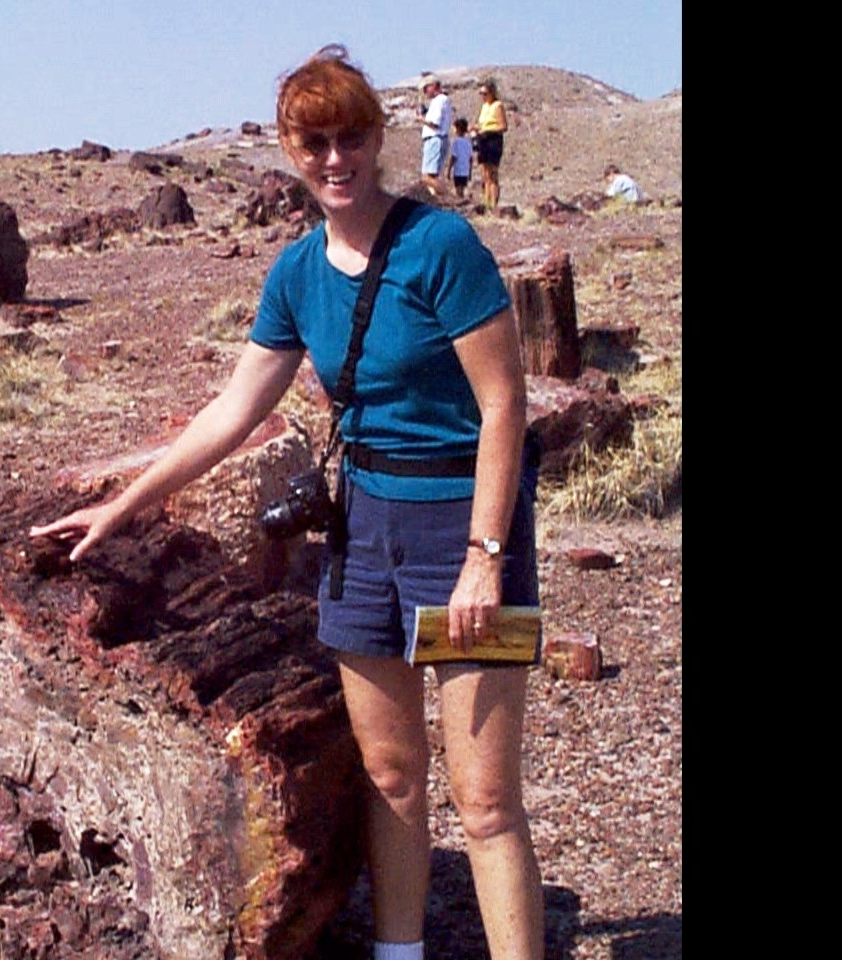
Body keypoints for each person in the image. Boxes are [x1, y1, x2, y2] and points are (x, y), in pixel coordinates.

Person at [30, 44, 544, 960]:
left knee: (486, 800)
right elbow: (233, 411)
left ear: (377, 140)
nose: (335, 159)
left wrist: (484, 559)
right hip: (364, 526)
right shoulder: (298, 272)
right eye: (315, 144)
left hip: (463, 521)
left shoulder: (441, 247)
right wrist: (123, 505)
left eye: (350, 138)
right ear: (290, 151)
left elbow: (505, 405)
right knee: (390, 775)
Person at [469, 79, 508, 209]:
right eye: (481, 93)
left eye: (485, 93)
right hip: (482, 140)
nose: (483, 96)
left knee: (492, 174)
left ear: (492, 93)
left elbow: (503, 126)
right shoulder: (484, 107)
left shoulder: (498, 106)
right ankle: (486, 202)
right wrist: (475, 128)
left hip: (493, 140)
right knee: (484, 174)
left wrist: (487, 129)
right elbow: (482, 124)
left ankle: (493, 204)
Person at [416, 74, 454, 196]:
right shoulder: (439, 101)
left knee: (427, 177)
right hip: (435, 139)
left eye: (426, 88)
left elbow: (435, 123)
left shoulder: (439, 100)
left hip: (435, 138)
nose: (425, 91)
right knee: (431, 176)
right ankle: (437, 198)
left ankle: (448, 195)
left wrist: (421, 119)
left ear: (433, 86)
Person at [449, 118, 474, 200]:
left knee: (458, 189)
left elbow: (453, 157)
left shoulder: (456, 142)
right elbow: (471, 159)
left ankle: (460, 201)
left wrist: (449, 169)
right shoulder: (468, 142)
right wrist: (470, 172)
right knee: (462, 188)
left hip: (458, 170)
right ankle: (462, 199)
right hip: (465, 170)